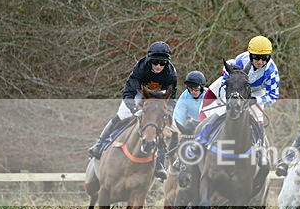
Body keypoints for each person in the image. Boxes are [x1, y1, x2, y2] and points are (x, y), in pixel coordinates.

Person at [87, 41, 177, 180]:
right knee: (121, 115)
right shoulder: (141, 67)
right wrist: (134, 109)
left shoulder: (171, 73)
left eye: (162, 63)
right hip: (138, 94)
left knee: (160, 124)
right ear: (149, 60)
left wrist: (168, 109)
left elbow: (172, 96)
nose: (159, 66)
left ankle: (160, 163)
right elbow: (128, 92)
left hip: (158, 96)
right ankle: (100, 144)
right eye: (155, 62)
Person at [198, 35, 279, 164]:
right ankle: (199, 139)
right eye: (257, 58)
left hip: (256, 91)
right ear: (250, 55)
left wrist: (256, 100)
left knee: (258, 117)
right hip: (235, 85)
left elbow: (274, 95)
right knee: (221, 111)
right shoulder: (240, 60)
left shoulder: (271, 71)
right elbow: (226, 79)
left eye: (265, 58)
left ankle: (261, 149)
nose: (260, 62)